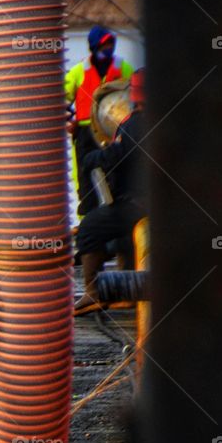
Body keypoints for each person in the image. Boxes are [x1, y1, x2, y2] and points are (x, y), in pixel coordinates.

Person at [74, 69, 147, 313]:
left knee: (89, 229)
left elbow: (118, 155)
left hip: (139, 203)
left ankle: (93, 293)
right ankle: (127, 292)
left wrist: (90, 157)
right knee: (123, 235)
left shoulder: (137, 123)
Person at [65, 26, 134, 216]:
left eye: (111, 44)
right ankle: (86, 221)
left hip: (114, 131)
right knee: (85, 177)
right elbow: (60, 99)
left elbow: (134, 93)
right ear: (94, 46)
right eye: (105, 45)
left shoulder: (123, 67)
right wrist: (68, 121)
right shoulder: (78, 72)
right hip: (85, 132)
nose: (109, 48)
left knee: (114, 175)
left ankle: (113, 220)